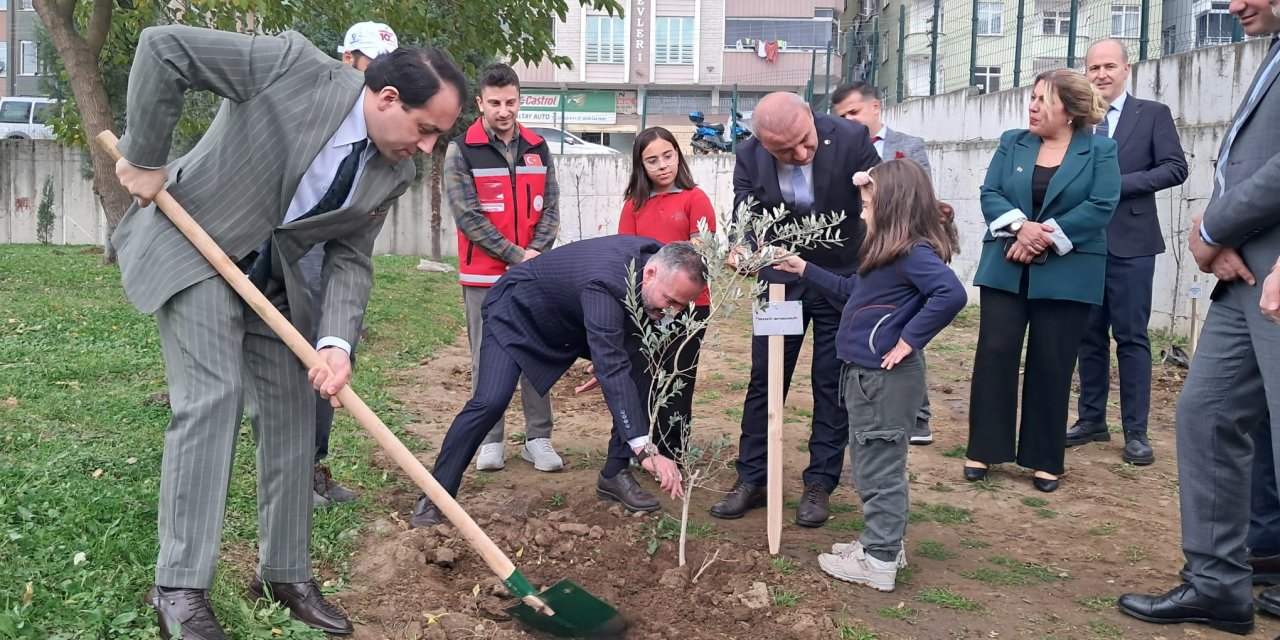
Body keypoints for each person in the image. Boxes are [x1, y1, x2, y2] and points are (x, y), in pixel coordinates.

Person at [112, 25, 466, 639]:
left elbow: (351, 258)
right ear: (385, 98)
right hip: (197, 247)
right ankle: (180, 589)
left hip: (273, 282)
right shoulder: (291, 66)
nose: (429, 148)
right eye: (426, 128)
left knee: (295, 414)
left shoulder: (391, 172)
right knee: (213, 398)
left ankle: (286, 573)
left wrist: (335, 344)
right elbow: (163, 48)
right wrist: (144, 157)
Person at [1117, 0, 1280, 631]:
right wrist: (1220, 234)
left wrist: (1213, 226)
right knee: (1207, 413)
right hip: (1245, 271)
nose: (1234, 4)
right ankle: (1218, 585)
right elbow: (1245, 159)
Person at [409, 238, 705, 528]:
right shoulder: (606, 282)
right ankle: (436, 495)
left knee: (640, 363)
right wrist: (645, 449)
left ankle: (614, 472)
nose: (673, 312)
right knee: (490, 401)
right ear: (651, 274)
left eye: (682, 306)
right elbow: (613, 366)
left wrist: (609, 358)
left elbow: (630, 336)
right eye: (671, 302)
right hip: (519, 314)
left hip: (573, 319)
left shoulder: (656, 259)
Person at [775, 159, 965, 592]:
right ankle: (883, 543)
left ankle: (879, 561)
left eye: (866, 204)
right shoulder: (887, 255)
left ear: (892, 205)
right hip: (868, 378)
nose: (862, 213)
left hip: (883, 380)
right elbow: (849, 293)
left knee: (877, 470)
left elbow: (950, 293)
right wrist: (804, 269)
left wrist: (909, 339)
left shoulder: (911, 255)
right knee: (872, 464)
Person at [709, 91, 880, 528]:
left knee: (831, 383)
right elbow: (745, 217)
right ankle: (752, 478)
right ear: (762, 141)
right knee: (765, 378)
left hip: (839, 280)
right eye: (785, 151)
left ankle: (820, 483)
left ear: (811, 118)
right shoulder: (749, 157)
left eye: (805, 142)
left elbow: (878, 202)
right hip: (779, 283)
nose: (800, 154)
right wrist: (742, 250)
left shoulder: (851, 137)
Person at [963, 69, 1120, 494]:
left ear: (1068, 111)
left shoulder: (1101, 150)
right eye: (1031, 98)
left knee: (1052, 362)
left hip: (1069, 272)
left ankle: (1044, 458)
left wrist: (1041, 237)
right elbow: (990, 192)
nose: (1031, 107)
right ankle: (984, 447)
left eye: (1041, 100)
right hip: (1005, 266)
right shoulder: (1012, 141)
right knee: (995, 353)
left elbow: (1102, 204)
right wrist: (1020, 228)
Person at [1066, 38, 1188, 466]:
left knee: (1132, 338)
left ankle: (1135, 431)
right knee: (1088, 335)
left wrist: (1115, 186)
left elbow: (1175, 168)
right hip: (1081, 244)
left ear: (1126, 69)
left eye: (1109, 66)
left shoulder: (1151, 115)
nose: (1101, 74)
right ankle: (1091, 420)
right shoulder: (1077, 119)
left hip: (1132, 243)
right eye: (1093, 67)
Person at [444, 62, 562, 473]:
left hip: (532, 273)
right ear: (480, 102)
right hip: (484, 276)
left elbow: (550, 208)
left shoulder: (538, 147)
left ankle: (538, 439)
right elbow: (468, 216)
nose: (503, 110)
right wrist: (516, 255)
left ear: (519, 100)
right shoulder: (462, 150)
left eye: (510, 101)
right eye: (494, 102)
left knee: (537, 351)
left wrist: (533, 254)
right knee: (486, 356)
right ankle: (490, 440)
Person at [301, 20, 399, 507]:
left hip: (330, 250)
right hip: (280, 248)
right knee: (295, 357)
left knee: (329, 351)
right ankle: (293, 472)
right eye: (371, 67)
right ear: (348, 61)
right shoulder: (315, 114)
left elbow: (355, 249)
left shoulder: (384, 152)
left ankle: (313, 466)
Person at [831, 81, 935, 446]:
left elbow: (922, 196)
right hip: (866, 250)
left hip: (902, 251)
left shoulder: (908, 147)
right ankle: (868, 404)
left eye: (854, 113)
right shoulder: (841, 151)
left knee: (905, 330)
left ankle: (917, 414)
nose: (850, 122)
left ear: (876, 106)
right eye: (842, 117)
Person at [616, 126, 716, 460]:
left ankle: (674, 450)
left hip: (689, 307)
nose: (662, 165)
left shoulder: (694, 198)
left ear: (678, 154)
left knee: (678, 379)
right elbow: (626, 256)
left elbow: (700, 252)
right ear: (640, 166)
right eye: (652, 160)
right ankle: (638, 448)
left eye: (668, 155)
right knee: (640, 378)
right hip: (646, 306)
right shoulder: (633, 205)